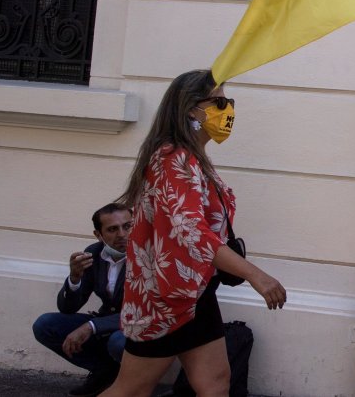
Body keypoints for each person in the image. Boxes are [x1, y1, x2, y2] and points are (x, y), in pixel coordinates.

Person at [101, 69, 287, 397]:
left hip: (195, 293)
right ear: (191, 110)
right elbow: (193, 233)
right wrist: (257, 276)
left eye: (228, 101)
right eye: (218, 102)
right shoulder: (173, 160)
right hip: (166, 298)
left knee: (214, 382)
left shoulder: (193, 160)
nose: (227, 110)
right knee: (131, 389)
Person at [32, 204, 132, 396]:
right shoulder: (93, 253)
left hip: (137, 327)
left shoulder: (149, 256)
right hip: (107, 324)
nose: (122, 234)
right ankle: (104, 372)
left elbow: (144, 312)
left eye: (127, 226)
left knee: (118, 342)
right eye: (112, 229)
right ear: (98, 235)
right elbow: (67, 308)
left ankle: (130, 384)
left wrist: (92, 326)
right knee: (45, 325)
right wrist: (75, 279)